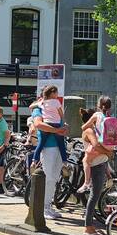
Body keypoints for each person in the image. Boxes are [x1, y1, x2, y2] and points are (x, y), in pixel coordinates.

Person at [31, 86, 69, 219]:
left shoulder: (53, 108)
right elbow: (38, 125)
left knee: (54, 178)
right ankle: (43, 207)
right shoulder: (38, 109)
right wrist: (57, 131)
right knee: (48, 177)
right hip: (48, 147)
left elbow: (61, 123)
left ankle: (48, 205)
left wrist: (64, 128)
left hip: (59, 146)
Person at [82, 97, 115, 235]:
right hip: (97, 163)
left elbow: (84, 127)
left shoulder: (97, 118)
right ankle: (88, 228)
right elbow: (95, 143)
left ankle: (90, 226)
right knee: (94, 196)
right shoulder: (106, 120)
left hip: (100, 162)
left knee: (95, 196)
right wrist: (108, 152)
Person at [31, 87, 67, 164]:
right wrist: (63, 124)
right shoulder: (56, 102)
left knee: (40, 144)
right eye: (57, 93)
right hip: (56, 124)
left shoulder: (43, 102)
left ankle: (34, 161)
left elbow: (30, 106)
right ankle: (65, 162)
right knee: (61, 145)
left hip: (47, 123)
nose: (58, 94)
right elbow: (61, 114)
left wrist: (38, 103)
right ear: (52, 93)